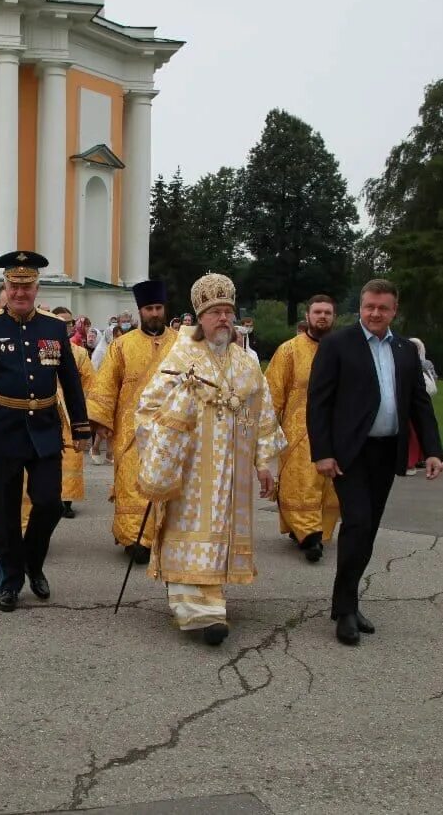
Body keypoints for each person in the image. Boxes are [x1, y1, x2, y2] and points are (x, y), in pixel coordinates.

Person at [135, 273, 285, 646]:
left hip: (232, 471)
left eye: (227, 312)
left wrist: (264, 462)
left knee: (221, 535)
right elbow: (149, 408)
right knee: (190, 533)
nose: (223, 319)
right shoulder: (182, 356)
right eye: (215, 312)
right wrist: (179, 414)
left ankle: (213, 601)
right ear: (200, 317)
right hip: (191, 469)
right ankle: (195, 611)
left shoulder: (246, 364)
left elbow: (262, 415)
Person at [308, 279, 443, 646]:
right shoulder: (338, 344)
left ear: (394, 310)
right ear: (361, 306)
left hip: (387, 452)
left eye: (382, 308)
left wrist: (432, 450)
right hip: (349, 453)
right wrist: (322, 451)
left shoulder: (404, 350)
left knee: (367, 530)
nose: (374, 313)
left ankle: (347, 602)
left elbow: (419, 403)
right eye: (369, 306)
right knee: (357, 522)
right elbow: (318, 402)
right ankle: (345, 610)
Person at [0, 251, 91, 612]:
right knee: (5, 511)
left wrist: (81, 426)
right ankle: (10, 582)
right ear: (5, 287)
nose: (20, 293)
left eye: (27, 286)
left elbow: (71, 381)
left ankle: (33, 562)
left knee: (49, 503)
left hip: (45, 429)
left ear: (37, 287)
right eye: (14, 286)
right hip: (3, 430)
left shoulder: (52, 327)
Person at [87, 281, 179, 563]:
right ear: (141, 311)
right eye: (149, 308)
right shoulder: (122, 346)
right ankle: (134, 539)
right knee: (132, 483)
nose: (154, 313)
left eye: (158, 308)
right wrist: (101, 421)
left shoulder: (182, 344)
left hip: (172, 427)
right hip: (131, 429)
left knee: (169, 483)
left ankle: (167, 536)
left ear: (164, 310)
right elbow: (106, 385)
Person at [265, 295, 339, 563]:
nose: (322, 317)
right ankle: (310, 536)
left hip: (335, 430)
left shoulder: (343, 349)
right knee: (302, 483)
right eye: (317, 312)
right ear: (307, 316)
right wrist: (268, 430)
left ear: (334, 317)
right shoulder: (289, 350)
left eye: (327, 313)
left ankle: (312, 531)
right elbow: (272, 393)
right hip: (298, 431)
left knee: (329, 485)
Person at [51, 307, 96, 519]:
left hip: (70, 413)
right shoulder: (41, 349)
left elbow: (89, 382)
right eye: (60, 322)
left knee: (71, 457)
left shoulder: (79, 353)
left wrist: (85, 410)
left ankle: (66, 501)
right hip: (48, 410)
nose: (65, 326)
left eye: (68, 323)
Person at [404, 338, 438, 474]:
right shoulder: (421, 362)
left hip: (416, 401)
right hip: (409, 402)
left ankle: (413, 461)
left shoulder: (423, 363)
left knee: (415, 432)